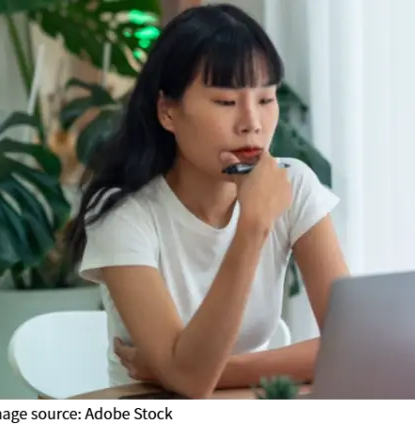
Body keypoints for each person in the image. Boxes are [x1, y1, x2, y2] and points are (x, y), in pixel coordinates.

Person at [66, 3, 349, 400]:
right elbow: (189, 384)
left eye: (266, 99)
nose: (252, 123)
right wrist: (253, 225)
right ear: (168, 112)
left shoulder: (293, 184)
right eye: (226, 102)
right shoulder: (123, 214)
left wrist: (210, 369)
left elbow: (352, 345)